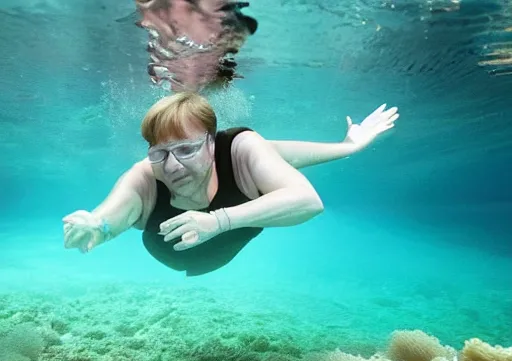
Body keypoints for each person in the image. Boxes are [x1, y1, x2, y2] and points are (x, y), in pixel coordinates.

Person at [63, 92, 398, 276]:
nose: (172, 165)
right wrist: (98, 226)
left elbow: (308, 202)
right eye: (159, 153)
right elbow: (114, 212)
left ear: (212, 144)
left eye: (185, 149)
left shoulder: (240, 149)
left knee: (267, 154)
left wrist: (218, 221)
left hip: (223, 251)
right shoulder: (146, 174)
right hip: (168, 254)